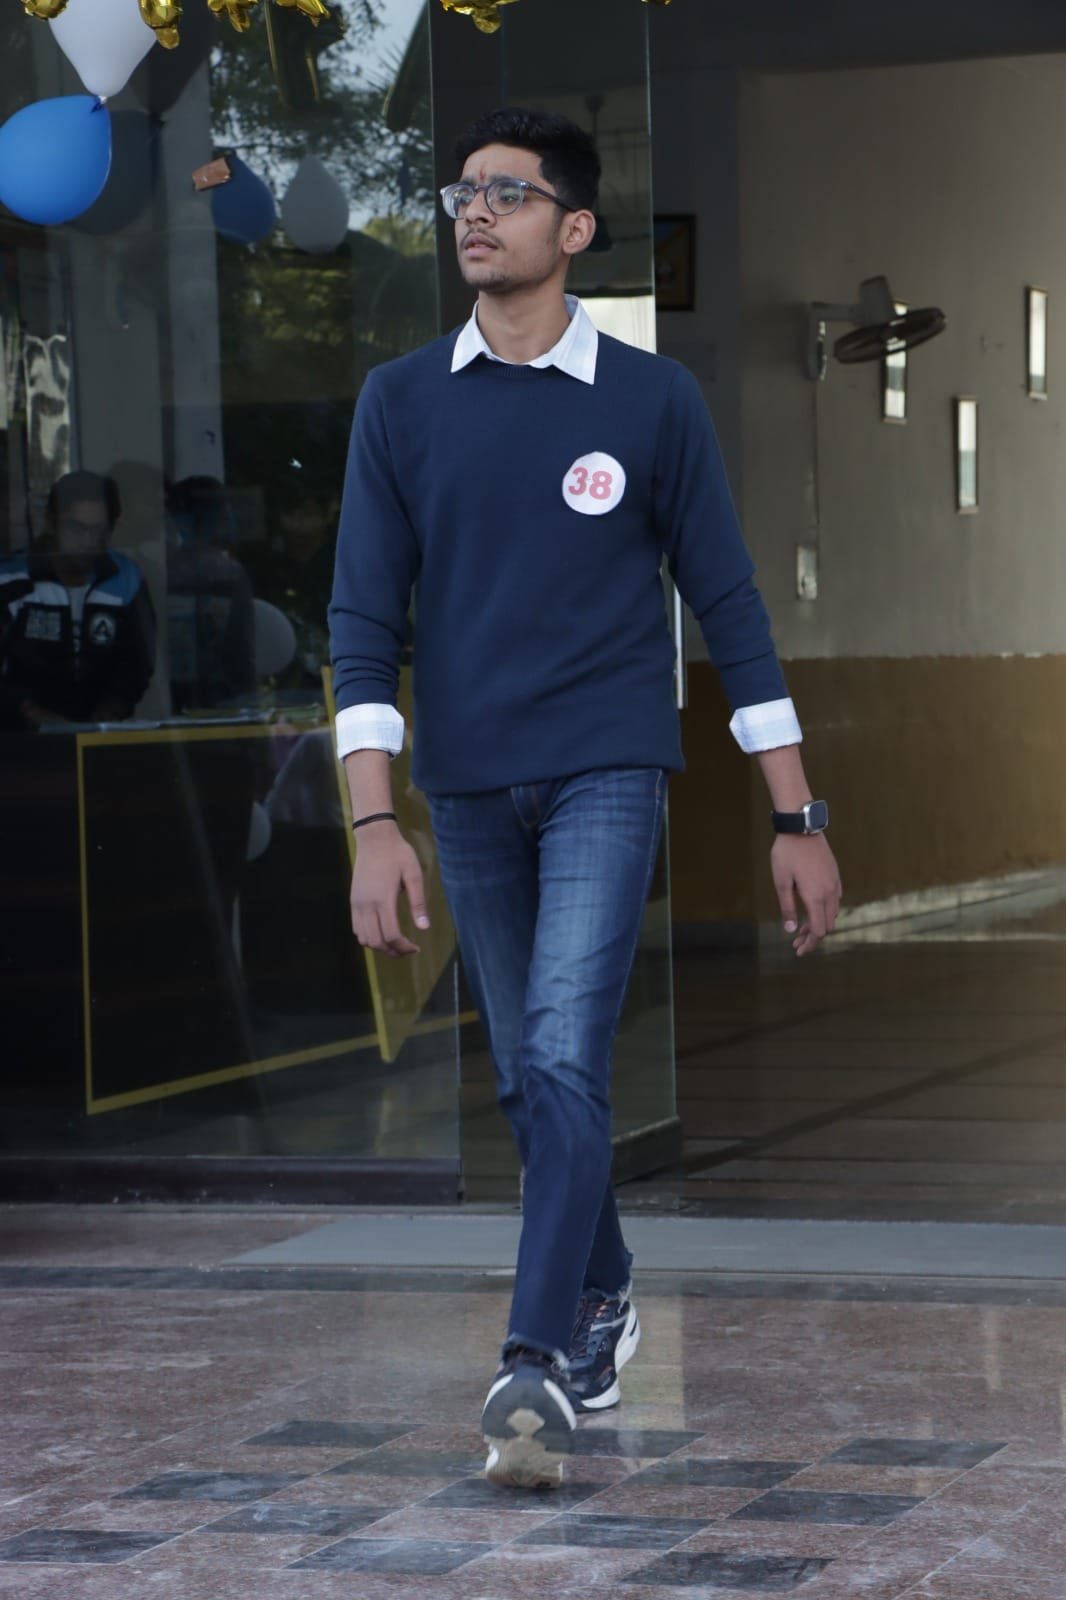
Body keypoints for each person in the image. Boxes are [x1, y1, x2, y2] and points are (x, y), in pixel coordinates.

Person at [329, 107, 842, 1489]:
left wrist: (796, 817)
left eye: (506, 192)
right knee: (523, 1075)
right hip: (464, 788)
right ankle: (606, 1286)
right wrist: (372, 822)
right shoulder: (400, 402)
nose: (473, 211)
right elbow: (361, 623)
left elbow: (729, 604)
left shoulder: (649, 401)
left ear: (574, 228)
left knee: (561, 1056)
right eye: (463, 191)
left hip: (609, 772)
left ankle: (535, 1356)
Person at [0, 469, 156, 730]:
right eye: (75, 527)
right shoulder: (10, 579)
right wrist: (28, 712)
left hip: (99, 735)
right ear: (51, 522)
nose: (87, 540)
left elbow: (138, 663)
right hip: (17, 739)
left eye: (98, 530)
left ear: (111, 529)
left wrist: (112, 709)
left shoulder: (126, 578)